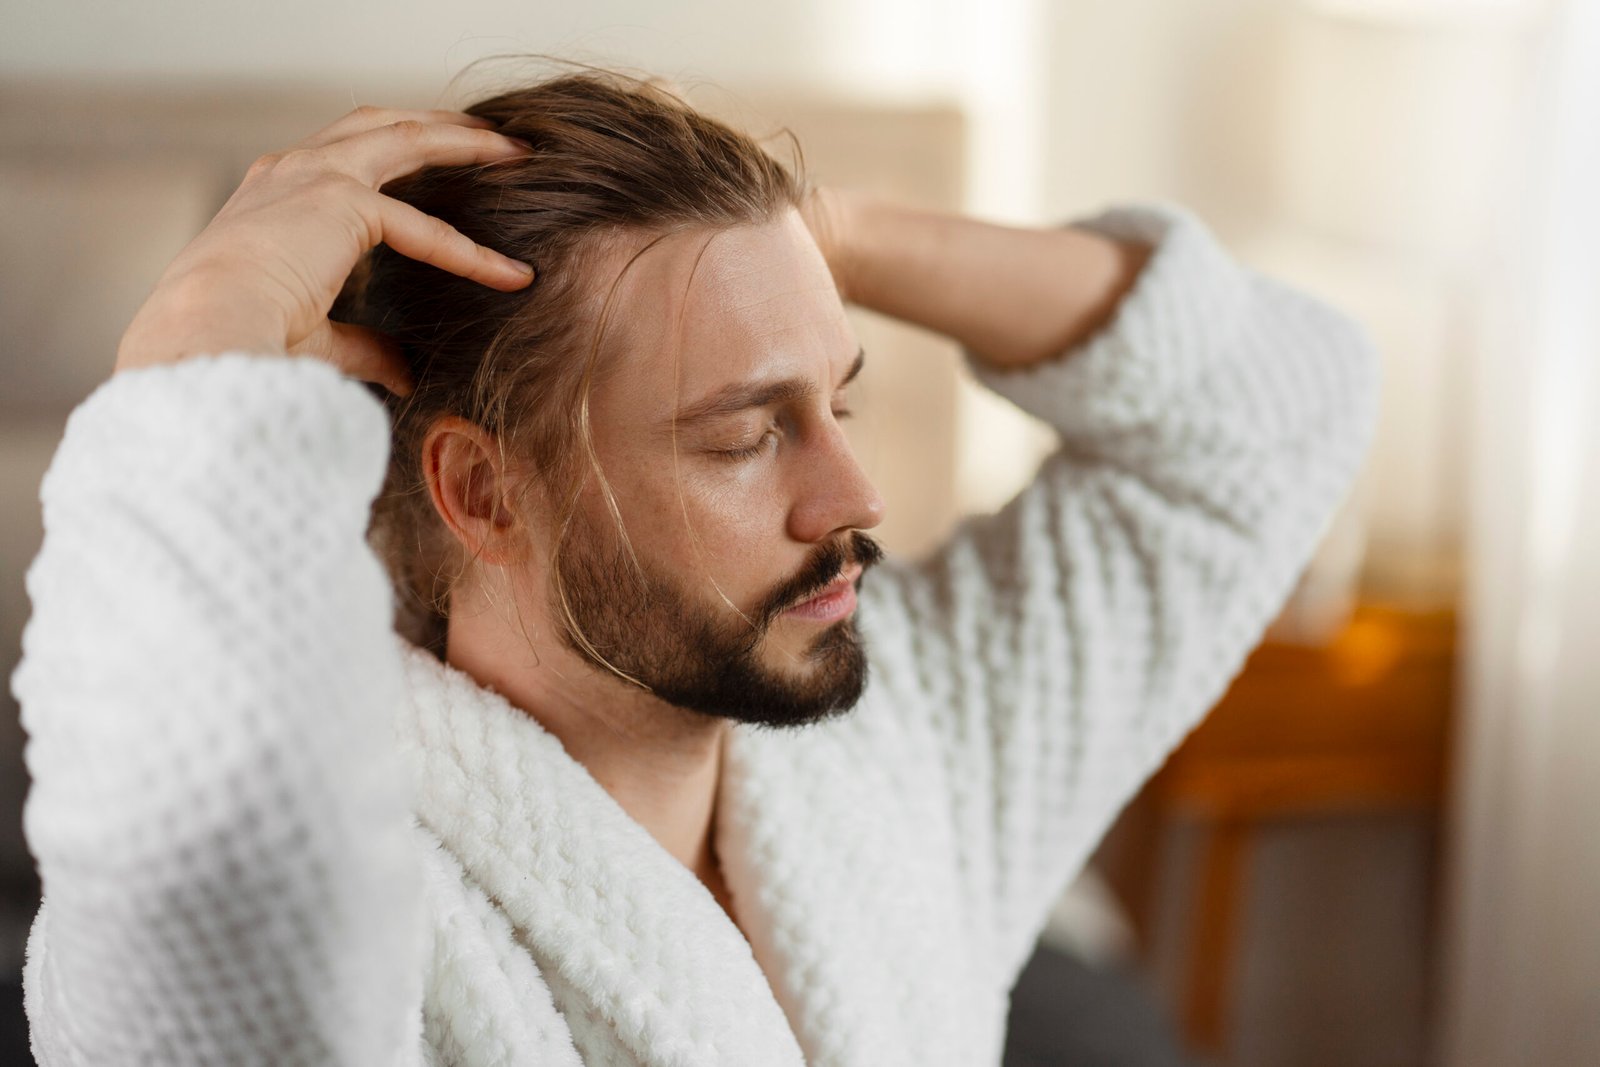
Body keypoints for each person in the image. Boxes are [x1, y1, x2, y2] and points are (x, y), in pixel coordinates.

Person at [10, 69, 1379, 1066]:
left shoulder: (912, 755)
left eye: (838, 399)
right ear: (484, 493)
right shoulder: (366, 893)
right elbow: (201, 879)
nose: (856, 494)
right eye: (746, 435)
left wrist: (811, 243)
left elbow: (1271, 408)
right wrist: (201, 336)